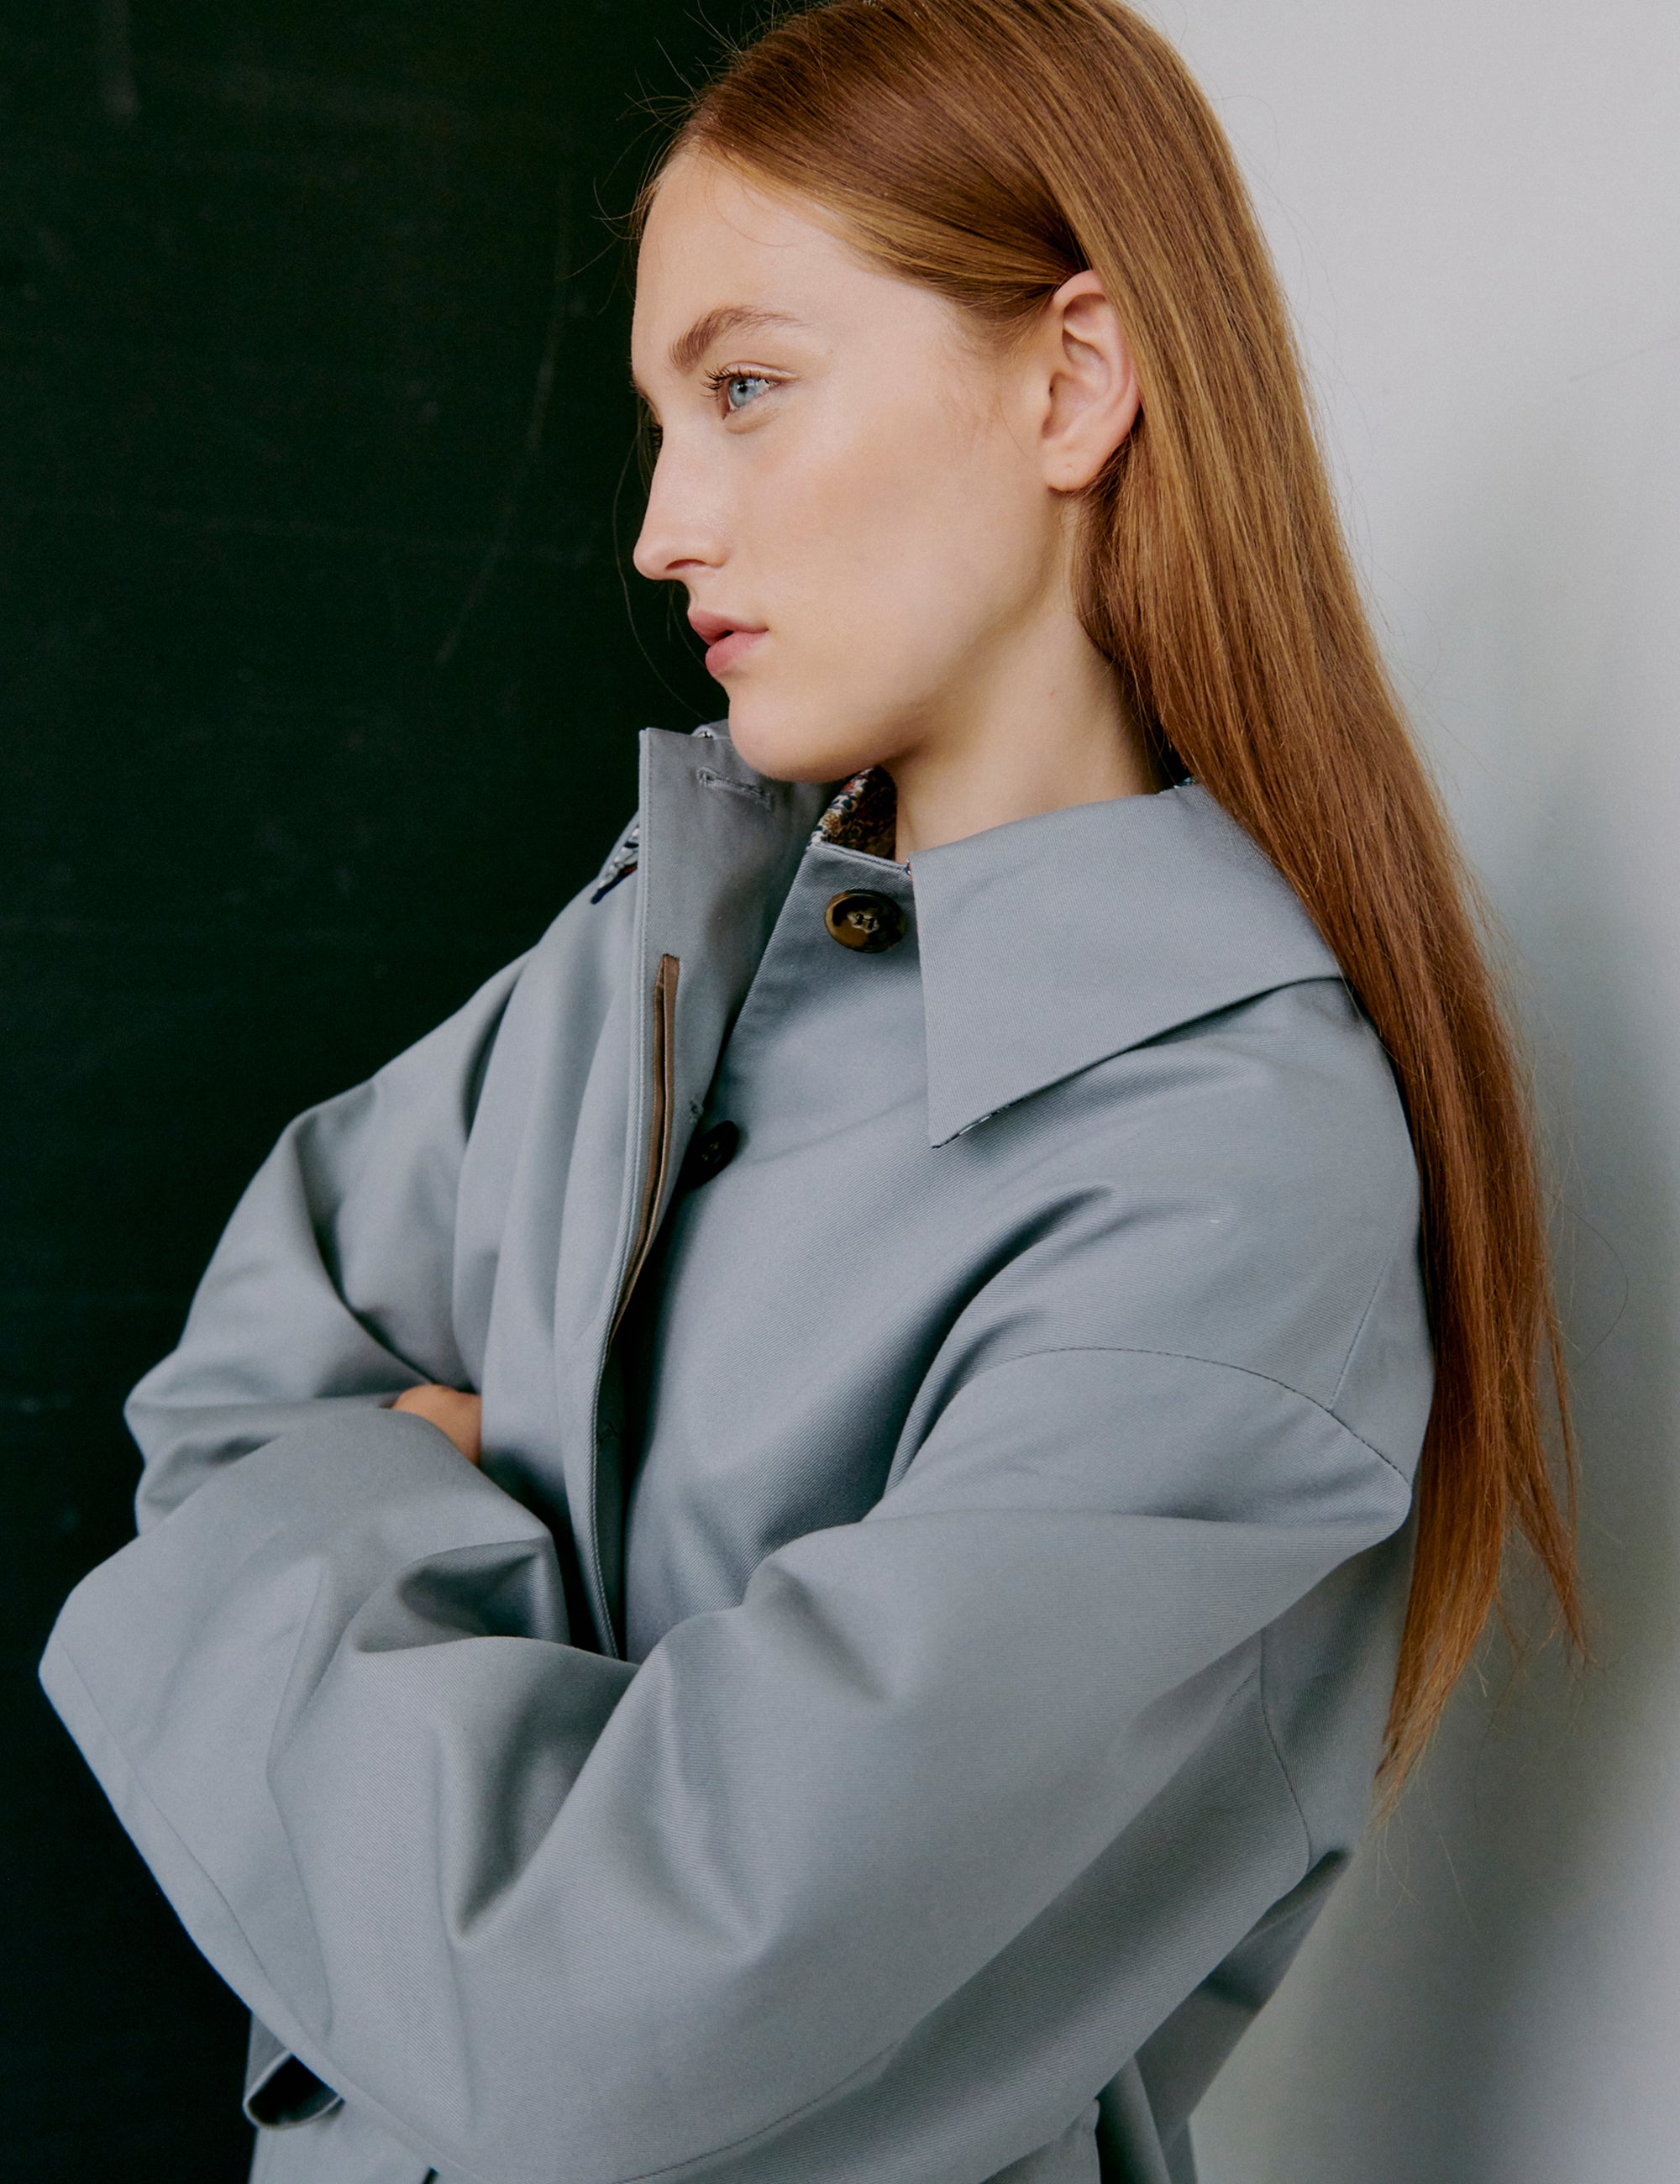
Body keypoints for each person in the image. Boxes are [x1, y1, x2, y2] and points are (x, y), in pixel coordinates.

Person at [40, 3, 1582, 2180]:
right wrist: (526, 1696)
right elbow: (227, 1388)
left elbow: (599, 2010)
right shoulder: (648, 958)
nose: (665, 529)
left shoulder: (1235, 1180)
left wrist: (371, 1524)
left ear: (1074, 380)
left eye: (749, 390)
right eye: (665, 422)